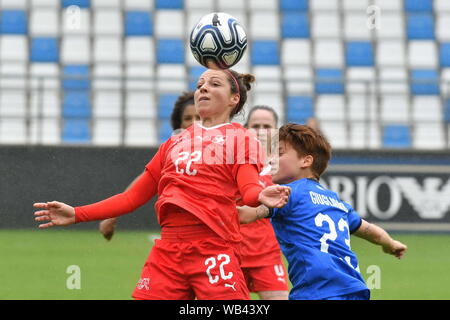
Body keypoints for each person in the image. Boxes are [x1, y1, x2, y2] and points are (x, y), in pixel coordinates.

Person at [33, 68, 291, 300]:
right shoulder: (174, 143)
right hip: (168, 250)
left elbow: (248, 192)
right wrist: (77, 213)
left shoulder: (242, 140)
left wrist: (261, 195)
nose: (203, 87)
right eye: (200, 83)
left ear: (234, 99)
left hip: (213, 249)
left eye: (214, 84)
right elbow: (132, 197)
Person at [239, 123, 407, 300]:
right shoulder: (336, 202)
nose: (271, 160)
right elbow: (372, 231)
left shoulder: (289, 193)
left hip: (318, 291)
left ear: (306, 161)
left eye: (279, 153)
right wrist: (390, 244)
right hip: (354, 289)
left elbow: (244, 215)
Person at [99, 92, 200, 241]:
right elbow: (141, 187)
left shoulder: (224, 150)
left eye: (199, 117)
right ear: (179, 124)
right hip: (182, 238)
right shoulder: (173, 154)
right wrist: (112, 216)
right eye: (187, 119)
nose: (193, 123)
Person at [239, 106, 289, 300]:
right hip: (232, 254)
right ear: (245, 129)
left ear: (276, 131)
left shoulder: (285, 169)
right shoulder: (232, 163)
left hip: (267, 256)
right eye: (255, 126)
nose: (260, 131)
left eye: (267, 126)